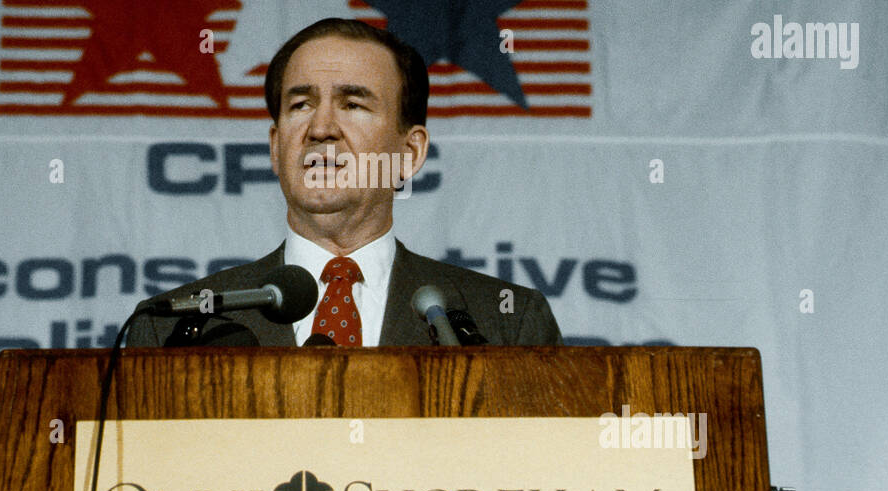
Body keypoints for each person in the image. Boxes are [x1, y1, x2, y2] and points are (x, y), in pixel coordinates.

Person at [126, 18, 562, 347]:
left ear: (408, 153)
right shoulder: (173, 327)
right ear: (276, 147)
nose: (321, 128)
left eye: (352, 104)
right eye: (300, 104)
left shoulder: (507, 322)